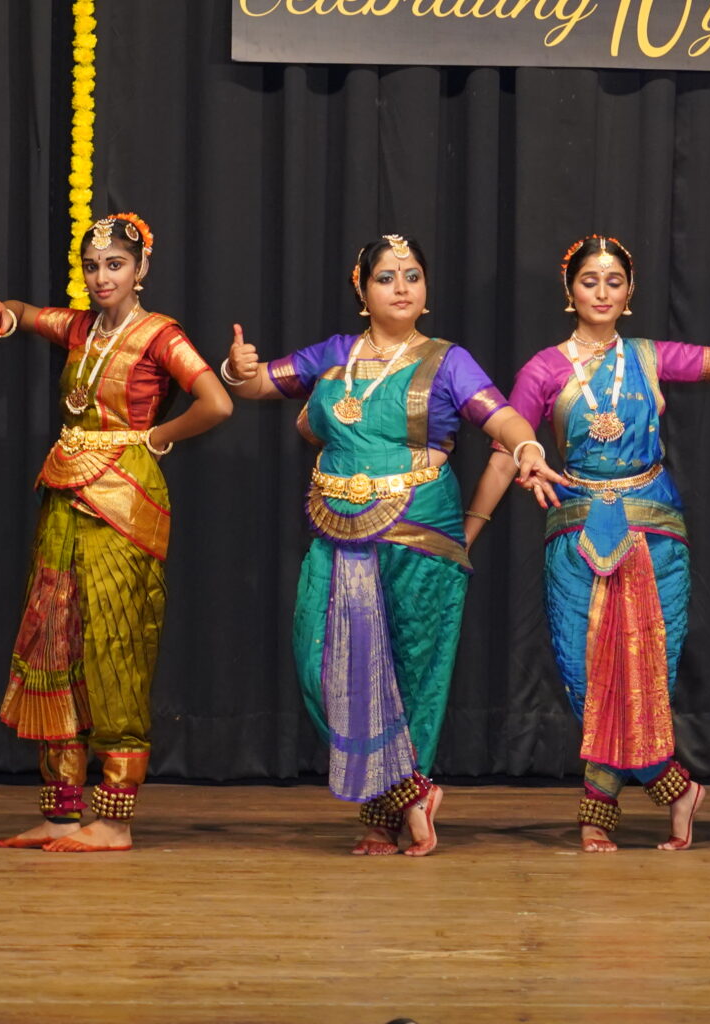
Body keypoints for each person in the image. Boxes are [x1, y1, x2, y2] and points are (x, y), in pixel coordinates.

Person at [223, 233, 550, 855]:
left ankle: (383, 814)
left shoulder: (449, 360)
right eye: (386, 277)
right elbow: (258, 385)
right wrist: (235, 371)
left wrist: (528, 446)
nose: (402, 287)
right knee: (324, 662)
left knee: (411, 673)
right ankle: (410, 794)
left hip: (421, 527)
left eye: (412, 276)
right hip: (337, 526)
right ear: (363, 290)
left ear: (426, 289)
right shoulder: (333, 355)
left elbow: (501, 416)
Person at [0, 212, 232, 851]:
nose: (101, 277)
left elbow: (217, 402)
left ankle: (114, 818)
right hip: (64, 493)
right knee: (52, 641)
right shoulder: (80, 327)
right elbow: (25, 312)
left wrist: (157, 437)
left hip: (125, 498)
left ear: (141, 268)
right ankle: (61, 813)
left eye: (115, 265)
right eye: (92, 266)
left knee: (114, 645)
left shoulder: (160, 335)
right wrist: (6, 315)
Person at [501, 234, 710, 851]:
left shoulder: (647, 356)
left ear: (630, 292)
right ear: (570, 292)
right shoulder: (543, 369)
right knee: (584, 671)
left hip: (655, 529)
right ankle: (675, 787)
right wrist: (519, 462)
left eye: (614, 281)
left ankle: (598, 809)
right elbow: (508, 427)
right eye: (590, 281)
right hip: (576, 527)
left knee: (649, 671)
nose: (602, 292)